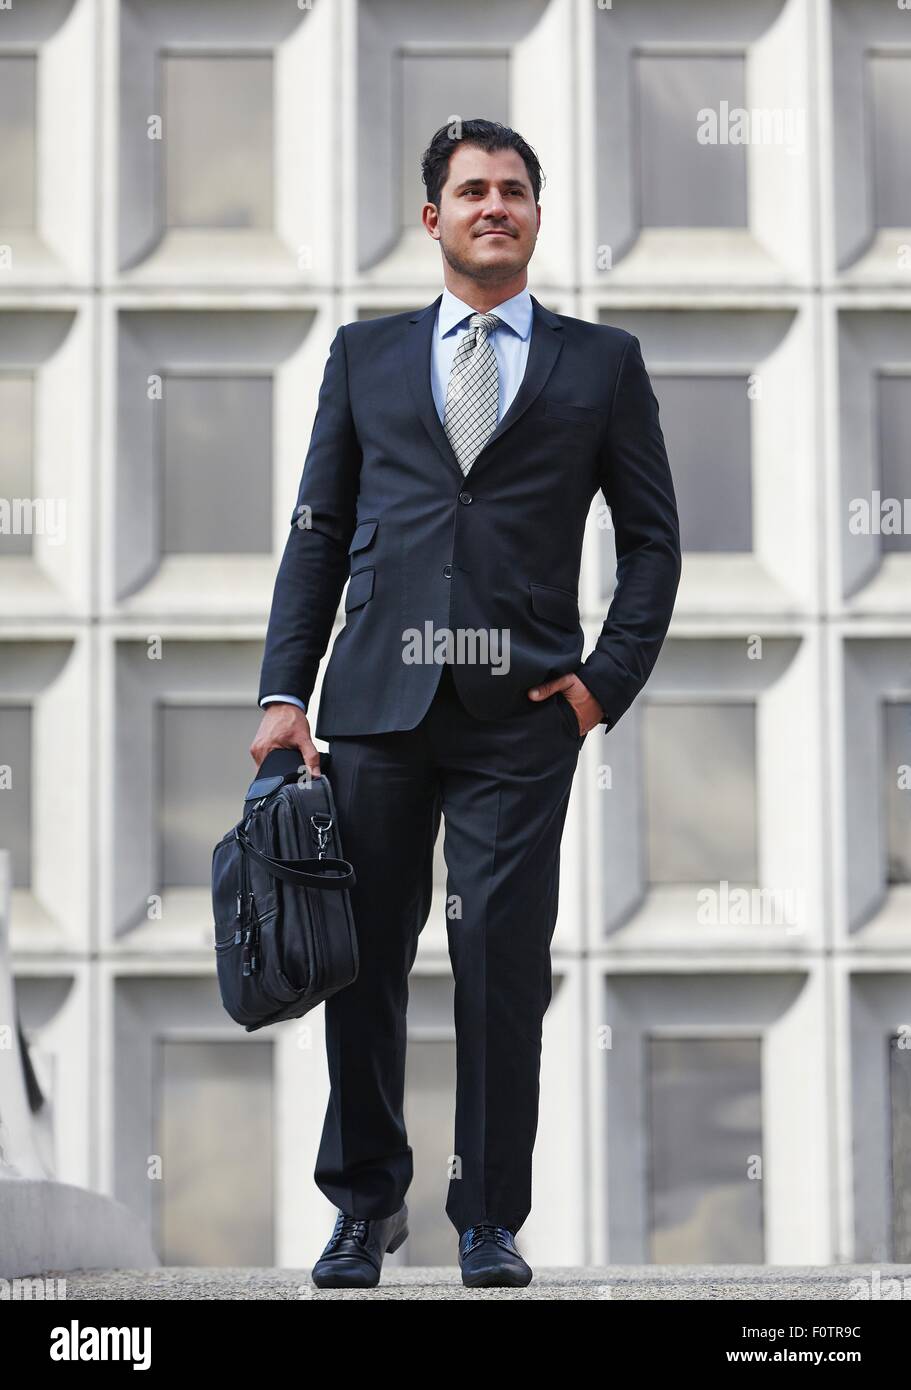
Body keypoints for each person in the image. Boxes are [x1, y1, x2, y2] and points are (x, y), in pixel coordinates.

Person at [250, 119, 681, 1288]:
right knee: (361, 959)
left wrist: (599, 686)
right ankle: (362, 1206)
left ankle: (488, 1214)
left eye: (515, 191)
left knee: (498, 957)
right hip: (376, 705)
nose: (495, 205)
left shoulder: (601, 364)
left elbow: (649, 543)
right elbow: (318, 531)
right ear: (431, 217)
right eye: (472, 190)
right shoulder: (363, 355)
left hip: (521, 716)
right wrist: (284, 691)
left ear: (536, 216)